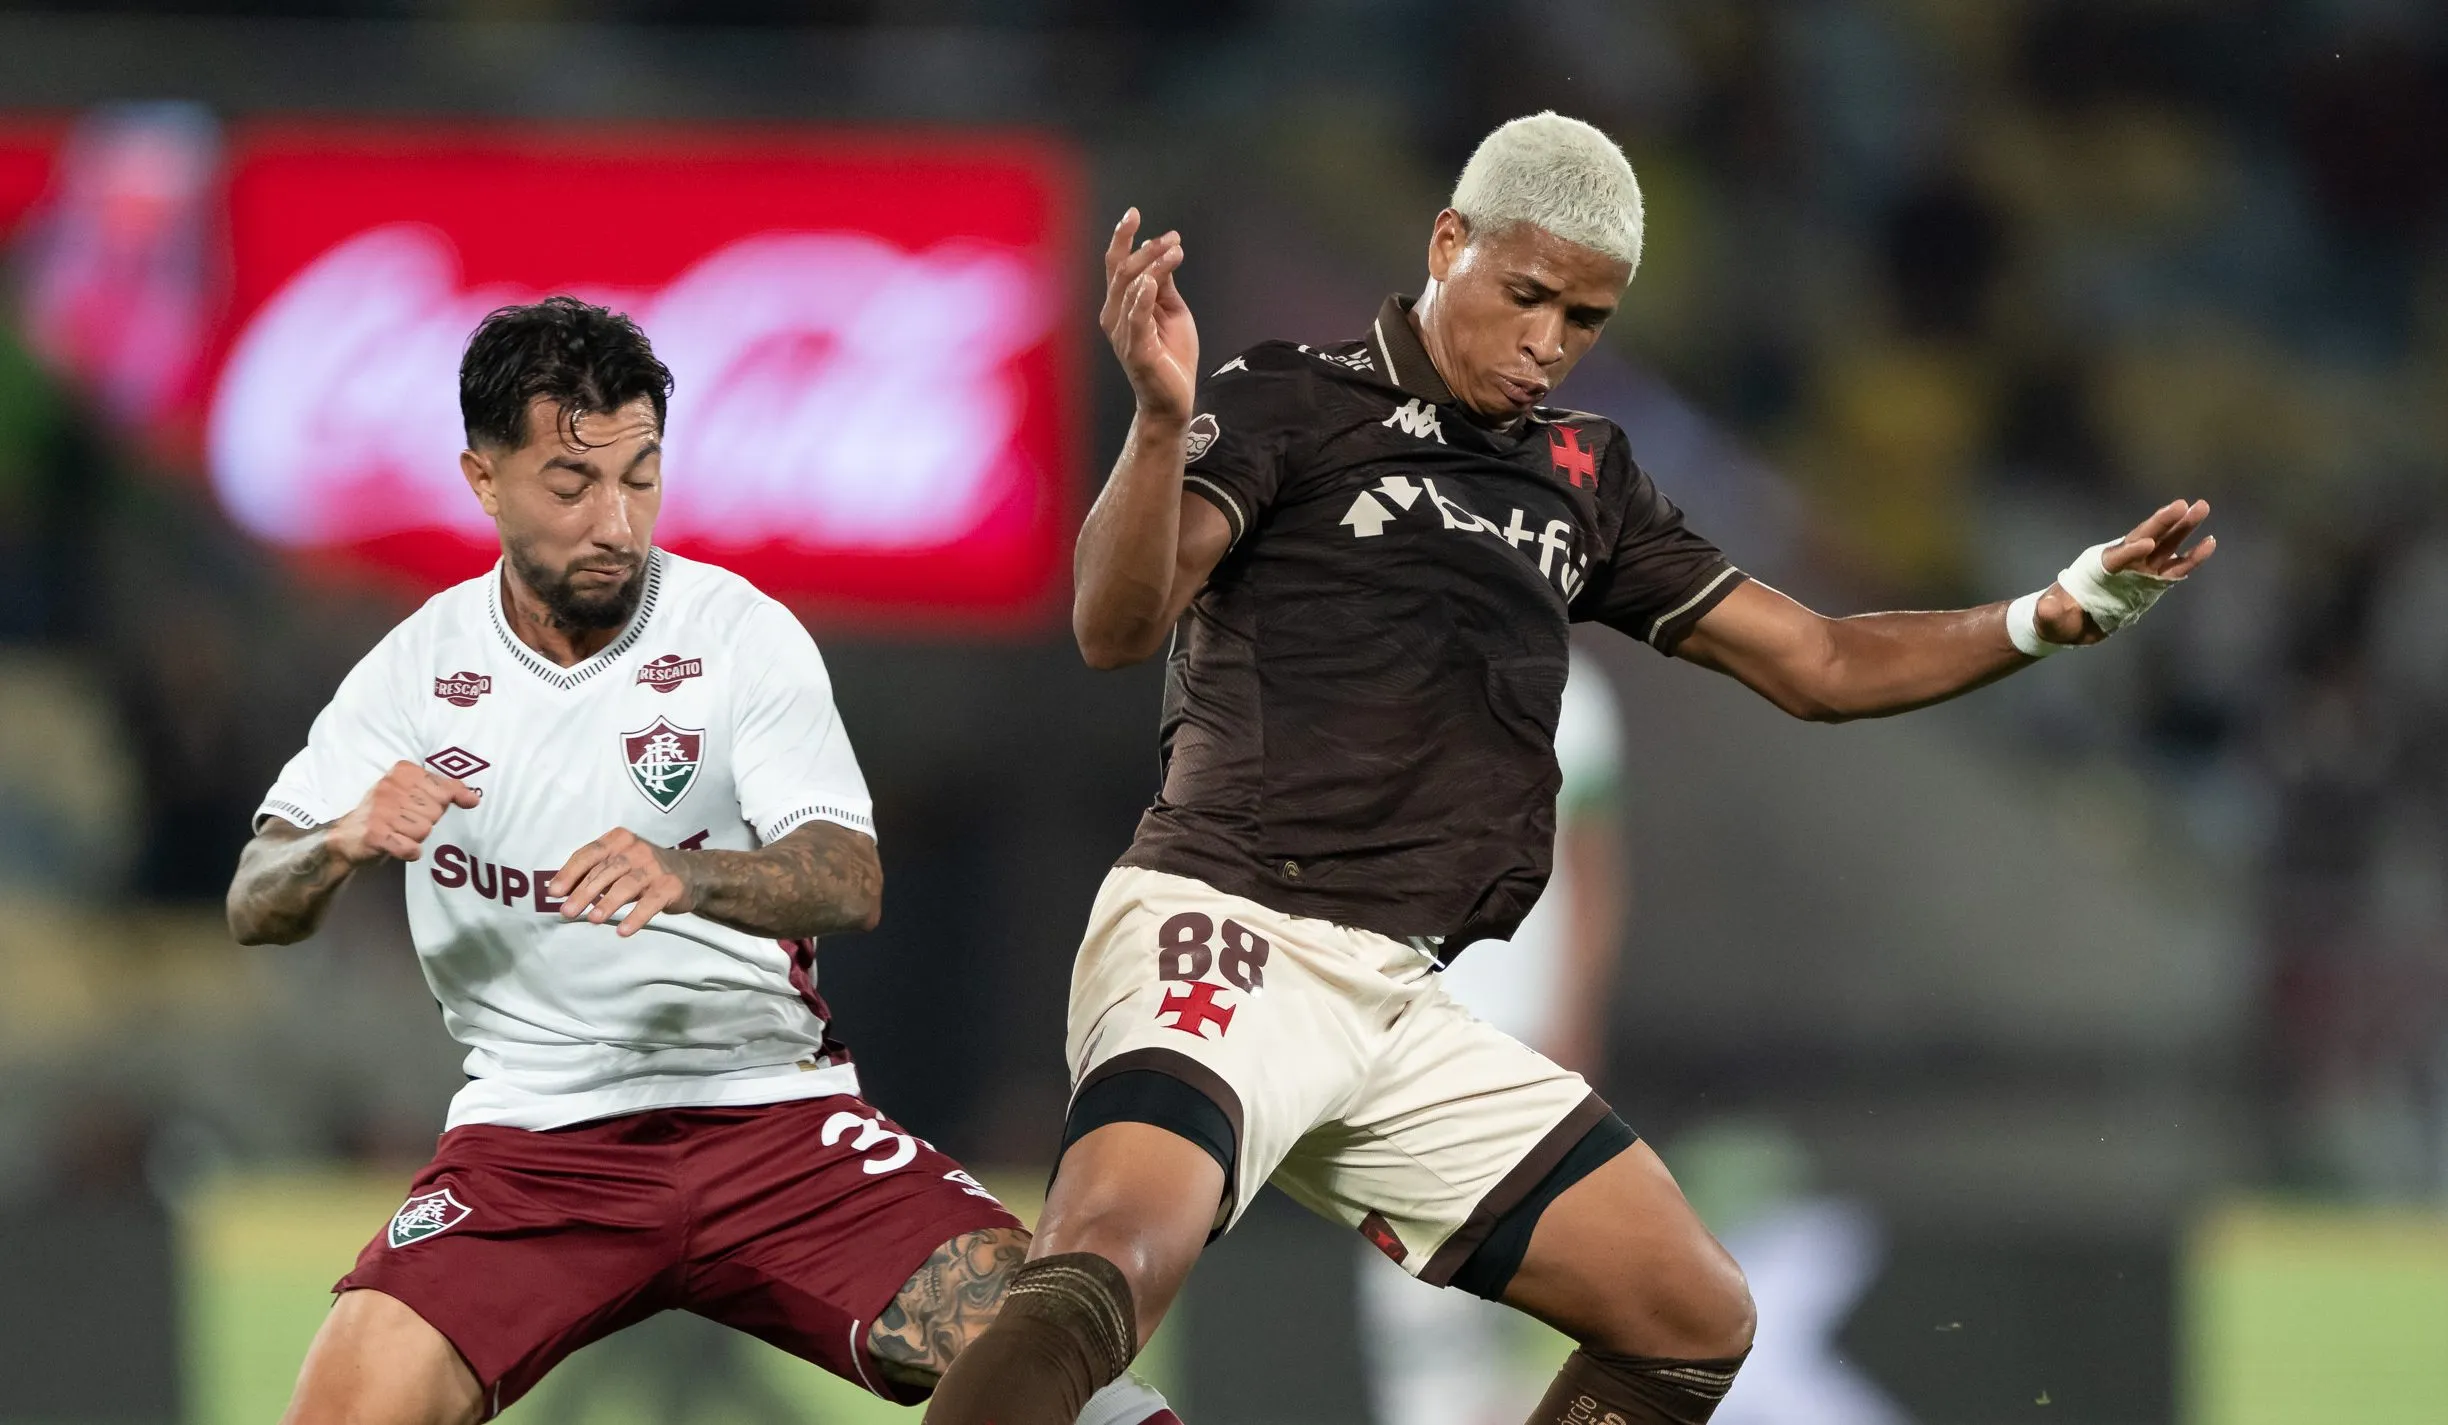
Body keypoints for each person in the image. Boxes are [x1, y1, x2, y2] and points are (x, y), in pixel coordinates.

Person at [922, 111, 2215, 1425]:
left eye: (1582, 318)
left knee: (1688, 1317)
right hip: (1229, 929)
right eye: (1524, 295)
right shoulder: (1287, 397)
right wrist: (1155, 422)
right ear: (1445, 244)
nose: (1546, 342)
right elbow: (1113, 624)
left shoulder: (1580, 479)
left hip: (1400, 1002)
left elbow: (1816, 661)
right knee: (1106, 1266)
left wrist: (2043, 615)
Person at [225, 297, 1178, 1425]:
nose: (615, 522)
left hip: (771, 1125)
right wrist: (337, 841)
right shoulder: (416, 671)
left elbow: (847, 877)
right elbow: (256, 900)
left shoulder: (739, 636)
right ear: (485, 480)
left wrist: (691, 877)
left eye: (640, 477)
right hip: (533, 1153)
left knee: (1051, 1367)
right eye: (572, 487)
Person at [1358, 651, 1626, 1425]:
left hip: (1522, 1028)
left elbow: (1593, 867)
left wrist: (1577, 1010)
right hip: (1406, 1022)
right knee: (1409, 1282)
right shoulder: (1382, 670)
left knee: (1538, 1269)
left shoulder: (1576, 690)